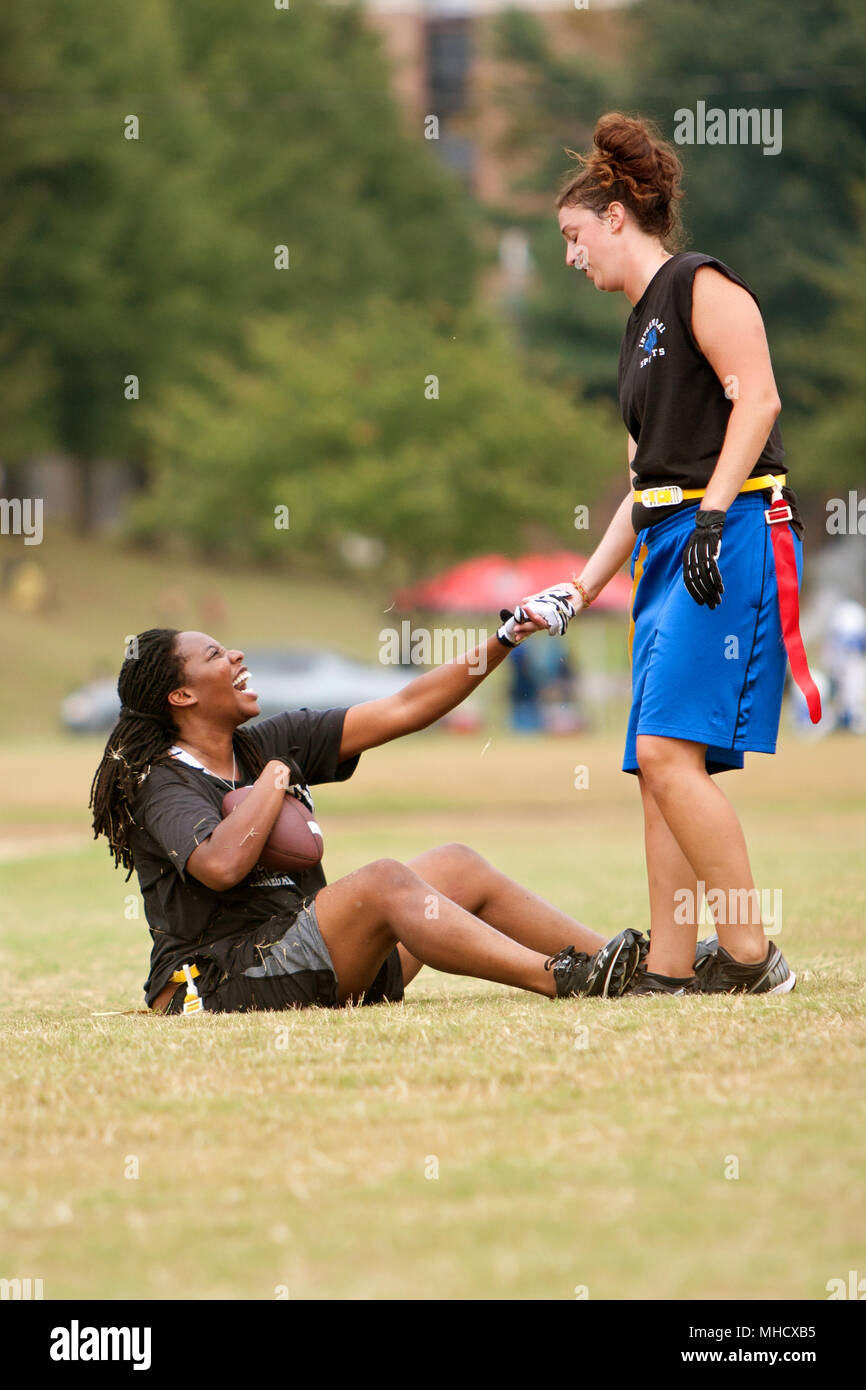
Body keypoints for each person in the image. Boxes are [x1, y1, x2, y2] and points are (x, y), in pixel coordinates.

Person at [551, 112, 820, 996]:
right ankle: (670, 969)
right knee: (656, 768)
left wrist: (708, 519)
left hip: (731, 534)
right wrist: (582, 585)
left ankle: (752, 960)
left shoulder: (699, 285)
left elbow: (760, 404)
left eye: (574, 235)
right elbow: (643, 484)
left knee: (670, 755)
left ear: (617, 217)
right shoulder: (634, 330)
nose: (570, 255)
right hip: (669, 544)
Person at [89, 609, 643, 1015]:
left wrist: (504, 639)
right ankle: (561, 979)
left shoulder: (269, 740)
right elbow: (220, 865)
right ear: (181, 697)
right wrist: (276, 778)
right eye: (214, 656)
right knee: (382, 882)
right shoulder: (158, 780)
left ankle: (634, 970)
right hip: (216, 980)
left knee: (456, 864)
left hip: (311, 955)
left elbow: (408, 707)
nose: (236, 656)